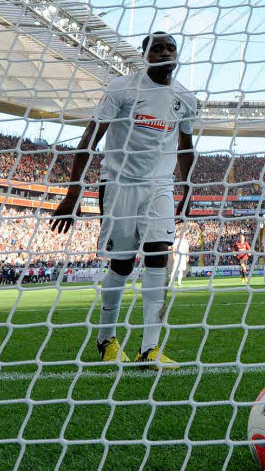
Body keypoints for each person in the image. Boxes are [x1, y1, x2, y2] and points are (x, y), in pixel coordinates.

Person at [50, 31, 197, 370]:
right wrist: (74, 192)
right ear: (144, 55)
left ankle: (150, 348)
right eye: (156, 47)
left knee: (160, 255)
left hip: (160, 185)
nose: (163, 52)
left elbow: (186, 145)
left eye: (169, 47)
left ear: (177, 55)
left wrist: (187, 187)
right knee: (123, 264)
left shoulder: (185, 99)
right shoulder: (121, 89)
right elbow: (90, 137)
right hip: (119, 183)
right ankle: (107, 339)